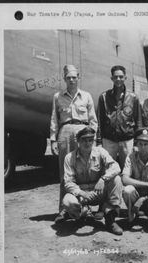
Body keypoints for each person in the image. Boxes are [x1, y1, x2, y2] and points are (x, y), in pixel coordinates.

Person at [50, 65, 98, 224]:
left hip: (83, 132)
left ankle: (87, 207)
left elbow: (93, 120)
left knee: (85, 170)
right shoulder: (57, 96)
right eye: (68, 77)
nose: (71, 80)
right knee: (65, 172)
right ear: (64, 79)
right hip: (65, 132)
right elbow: (54, 119)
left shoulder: (87, 96)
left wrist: (93, 139)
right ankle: (63, 209)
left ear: (78, 77)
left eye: (74, 77)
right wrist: (53, 139)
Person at [62, 127, 124, 235]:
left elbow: (116, 167)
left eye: (90, 140)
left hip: (98, 191)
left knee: (117, 180)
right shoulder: (69, 157)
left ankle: (110, 219)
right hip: (81, 194)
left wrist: (103, 179)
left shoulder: (100, 152)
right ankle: (82, 214)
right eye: (84, 140)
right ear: (78, 141)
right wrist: (82, 193)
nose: (87, 143)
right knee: (67, 201)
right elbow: (68, 182)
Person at [96, 65, 142, 169]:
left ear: (125, 78)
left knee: (128, 169)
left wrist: (137, 142)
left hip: (127, 140)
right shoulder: (104, 97)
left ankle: (127, 185)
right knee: (108, 169)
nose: (118, 79)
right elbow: (99, 120)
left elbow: (138, 120)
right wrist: (99, 141)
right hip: (109, 140)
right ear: (111, 78)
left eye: (121, 77)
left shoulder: (133, 97)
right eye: (115, 77)